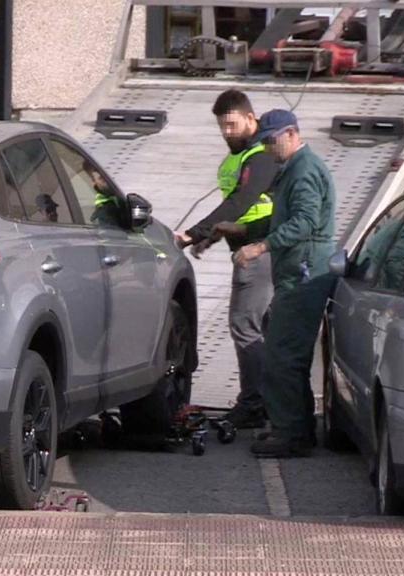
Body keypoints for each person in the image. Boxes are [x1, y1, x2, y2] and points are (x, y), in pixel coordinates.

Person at [228, 109, 336, 458]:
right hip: (298, 272)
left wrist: (260, 246)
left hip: (303, 274)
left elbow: (305, 222)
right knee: (288, 354)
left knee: (283, 355)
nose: (268, 149)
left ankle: (291, 434)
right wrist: (244, 232)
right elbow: (284, 220)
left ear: (291, 134)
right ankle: (295, 427)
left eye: (272, 141)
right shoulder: (293, 169)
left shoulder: (303, 171)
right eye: (264, 142)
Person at [174, 90, 278, 429]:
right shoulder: (242, 155)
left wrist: (194, 232)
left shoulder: (260, 156)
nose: (226, 132)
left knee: (245, 327)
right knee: (259, 329)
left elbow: (243, 202)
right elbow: (236, 209)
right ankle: (265, 402)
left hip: (259, 253)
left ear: (251, 119)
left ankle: (253, 404)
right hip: (249, 248)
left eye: (232, 125)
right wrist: (213, 235)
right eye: (222, 127)